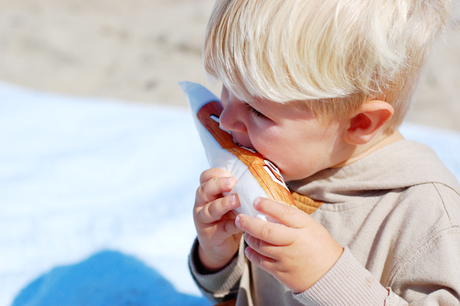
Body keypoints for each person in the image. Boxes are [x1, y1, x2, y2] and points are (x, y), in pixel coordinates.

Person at [188, 0, 460, 305]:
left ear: (359, 122)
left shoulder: (425, 214)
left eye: (256, 110)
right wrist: (216, 255)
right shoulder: (288, 163)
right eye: (227, 87)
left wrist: (328, 279)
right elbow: (235, 295)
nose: (225, 120)